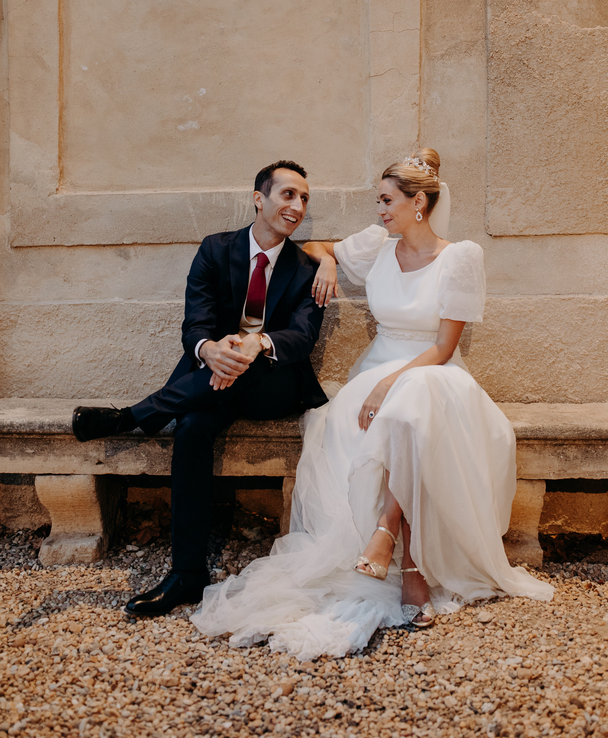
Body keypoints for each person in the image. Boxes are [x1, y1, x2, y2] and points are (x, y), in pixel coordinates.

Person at [190, 148, 552, 659]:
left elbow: (443, 348)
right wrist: (333, 261)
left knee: (408, 406)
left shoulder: (461, 257)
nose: (379, 211)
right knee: (375, 419)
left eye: (386, 201)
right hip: (376, 367)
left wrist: (389, 385)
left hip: (432, 371)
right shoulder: (376, 246)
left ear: (418, 204)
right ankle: (402, 560)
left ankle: (390, 541)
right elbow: (314, 245)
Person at [71, 160, 327, 616]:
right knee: (190, 429)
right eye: (288, 194)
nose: (297, 206)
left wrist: (254, 344)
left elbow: (302, 336)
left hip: (274, 384)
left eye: (304, 198)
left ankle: (129, 418)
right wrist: (211, 350)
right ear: (259, 198)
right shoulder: (215, 249)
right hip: (212, 380)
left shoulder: (307, 268)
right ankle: (186, 575)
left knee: (232, 374)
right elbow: (195, 321)